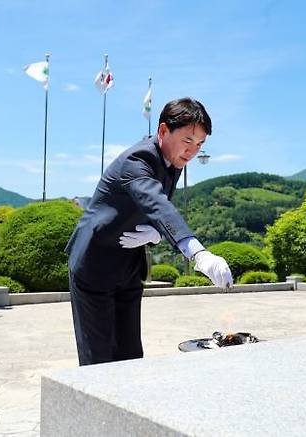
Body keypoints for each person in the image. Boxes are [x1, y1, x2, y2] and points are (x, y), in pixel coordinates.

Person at [66, 97, 234, 366]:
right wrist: (198, 253)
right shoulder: (138, 159)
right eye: (188, 141)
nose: (192, 151)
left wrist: (155, 232)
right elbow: (157, 202)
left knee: (131, 354)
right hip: (95, 263)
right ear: (163, 131)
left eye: (200, 144)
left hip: (129, 265)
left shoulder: (173, 160)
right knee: (99, 358)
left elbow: (156, 208)